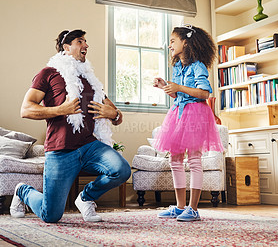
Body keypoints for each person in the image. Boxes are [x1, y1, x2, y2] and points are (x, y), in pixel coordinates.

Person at [11, 29, 131, 223]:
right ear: (66, 47)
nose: (86, 45)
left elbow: (116, 115)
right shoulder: (47, 73)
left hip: (90, 146)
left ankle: (85, 198)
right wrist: (60, 110)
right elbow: (25, 109)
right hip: (61, 150)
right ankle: (23, 191)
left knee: (122, 170)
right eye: (80, 41)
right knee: (50, 215)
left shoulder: (90, 79)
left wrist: (114, 114)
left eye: (86, 41)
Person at [153, 24, 224, 222]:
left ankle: (193, 208)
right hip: (178, 113)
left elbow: (204, 93)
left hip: (196, 114)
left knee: (194, 159)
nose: (170, 45)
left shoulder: (198, 66)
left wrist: (179, 87)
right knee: (174, 159)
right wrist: (165, 87)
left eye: (173, 41)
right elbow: (178, 93)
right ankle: (180, 206)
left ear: (185, 42)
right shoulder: (178, 66)